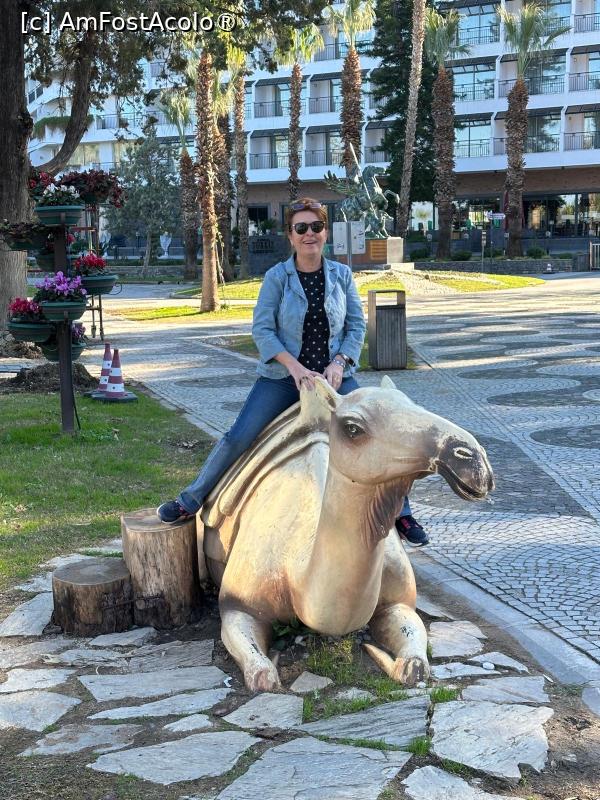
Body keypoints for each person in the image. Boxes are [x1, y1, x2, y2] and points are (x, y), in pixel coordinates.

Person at [157, 198, 429, 546]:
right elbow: (262, 330)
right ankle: (190, 500)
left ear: (325, 232)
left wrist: (339, 363)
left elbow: (356, 326)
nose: (309, 234)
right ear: (290, 235)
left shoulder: (342, 275)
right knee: (239, 436)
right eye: (301, 228)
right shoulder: (277, 278)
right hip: (284, 378)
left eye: (316, 226)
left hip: (334, 378)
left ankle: (402, 513)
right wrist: (295, 368)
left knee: (376, 429)